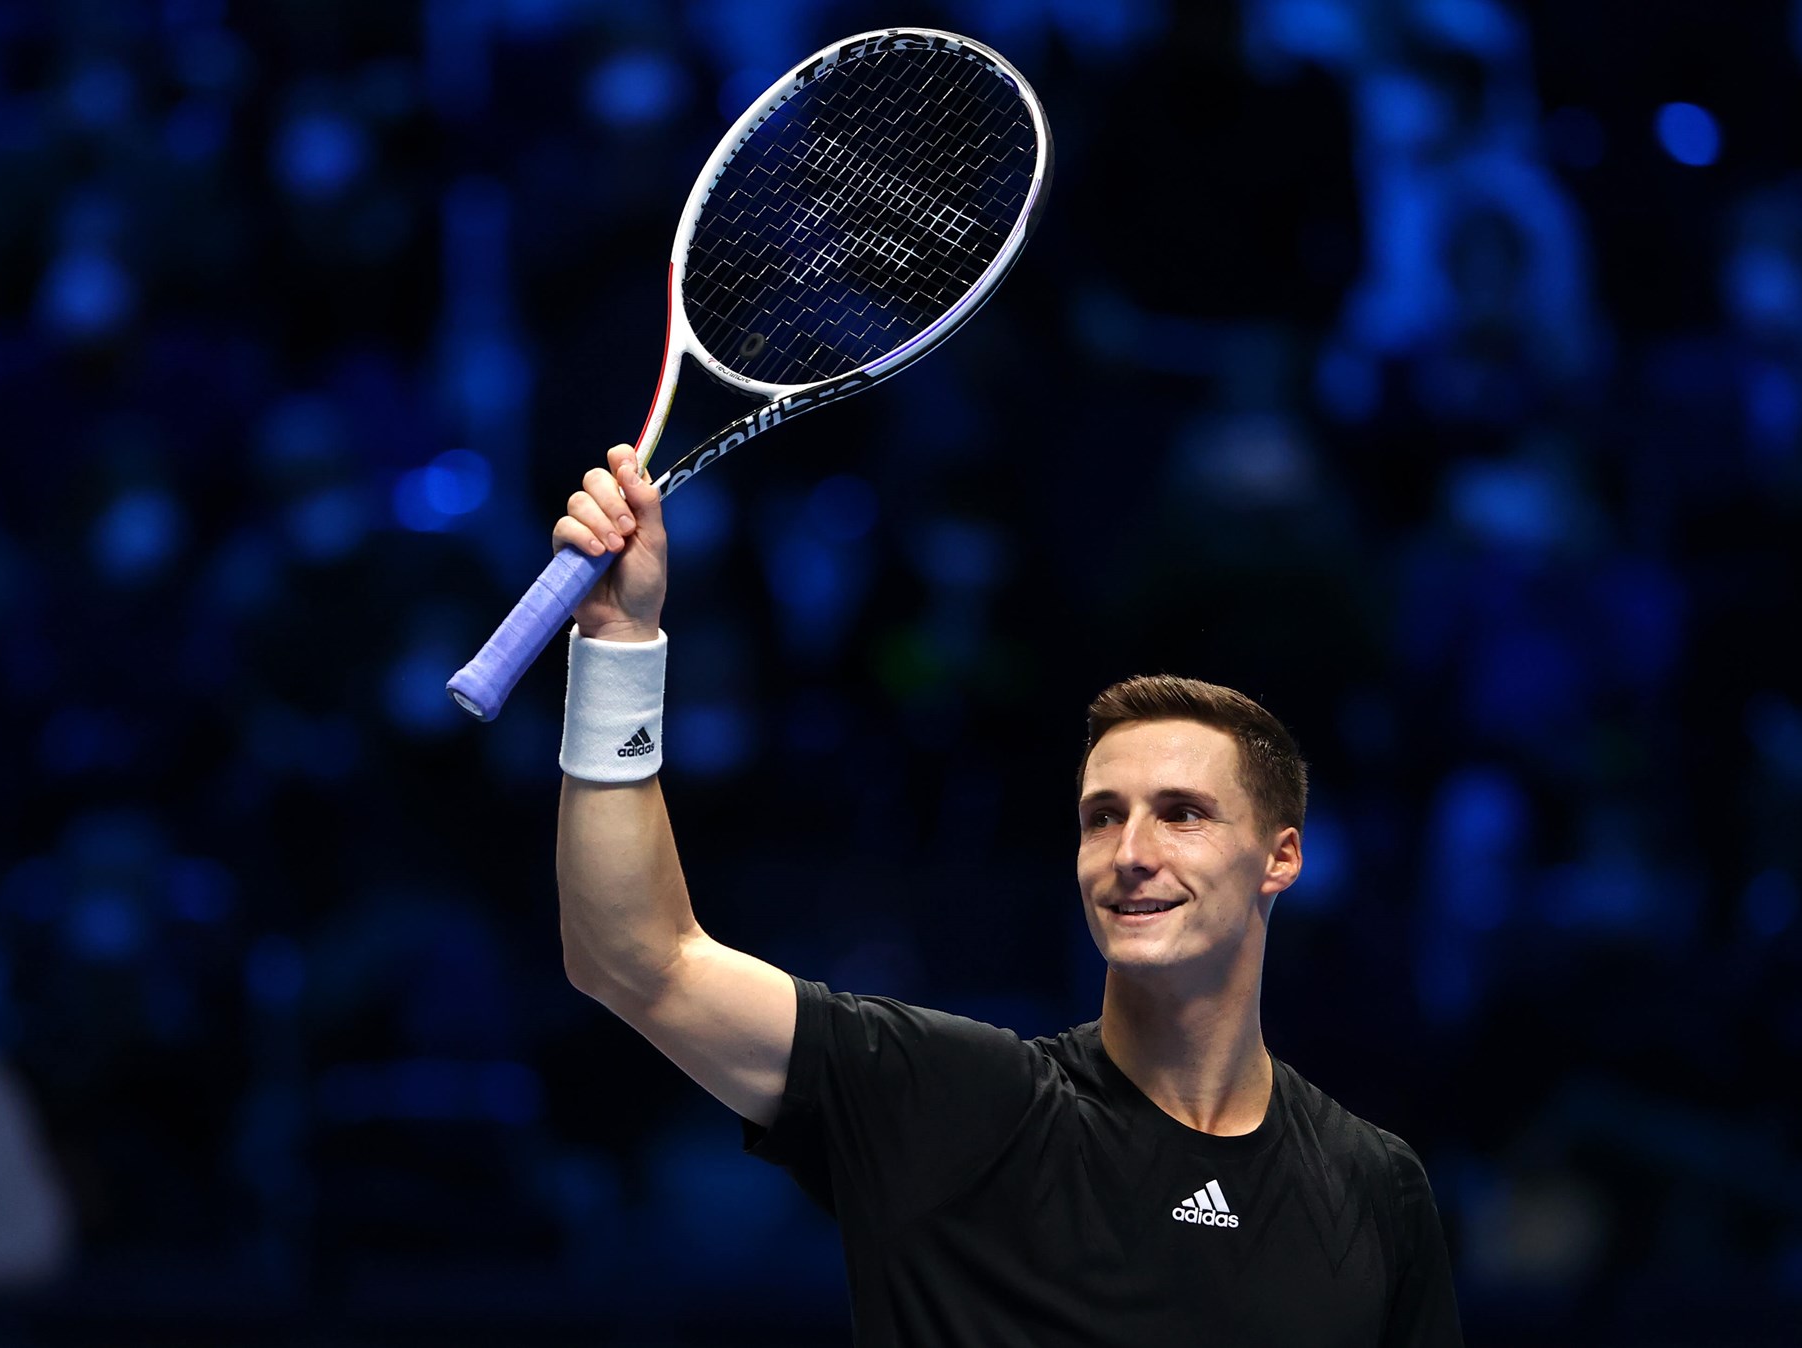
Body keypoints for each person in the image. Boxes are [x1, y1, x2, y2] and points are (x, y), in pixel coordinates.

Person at [552, 445, 1464, 1346]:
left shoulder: (1375, 1188)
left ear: (1281, 857)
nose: (1132, 853)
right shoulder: (958, 1105)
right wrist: (620, 646)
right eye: (1103, 818)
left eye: (1181, 814)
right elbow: (637, 957)